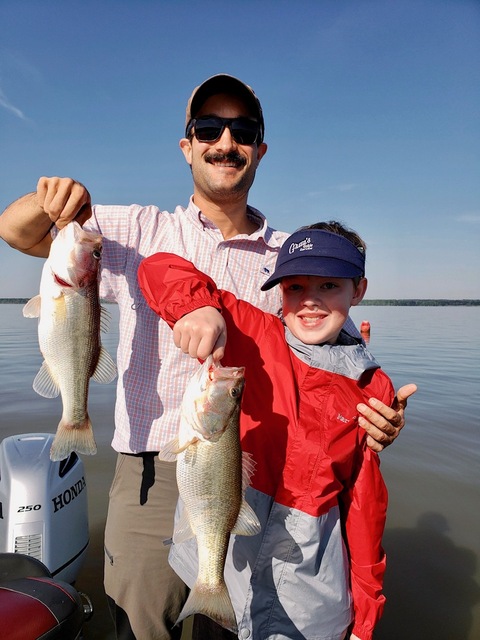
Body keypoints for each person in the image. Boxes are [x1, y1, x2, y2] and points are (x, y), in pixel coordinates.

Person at [0, 75, 416, 640]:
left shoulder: (292, 258)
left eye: (242, 131)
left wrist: (376, 414)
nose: (225, 141)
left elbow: (327, 366)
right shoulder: (142, 229)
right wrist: (47, 199)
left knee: (229, 625)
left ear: (260, 150)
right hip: (150, 469)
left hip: (248, 474)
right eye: (208, 128)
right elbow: (18, 234)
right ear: (187, 145)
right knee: (145, 625)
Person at [138, 221, 395, 640]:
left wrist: (364, 620)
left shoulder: (373, 388)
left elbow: (365, 507)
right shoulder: (253, 334)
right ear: (279, 291)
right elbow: (157, 267)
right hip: (226, 575)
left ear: (359, 289)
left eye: (329, 286)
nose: (309, 301)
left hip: (306, 602)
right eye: (294, 287)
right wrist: (194, 307)